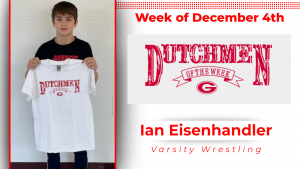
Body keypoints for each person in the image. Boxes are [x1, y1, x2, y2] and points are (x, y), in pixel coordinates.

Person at [25, 1, 98, 169]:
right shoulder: (44, 49)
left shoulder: (84, 47)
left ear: (76, 22)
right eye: (59, 19)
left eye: (68, 18)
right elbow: (31, 80)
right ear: (53, 22)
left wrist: (94, 70)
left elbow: (91, 82)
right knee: (52, 147)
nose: (63, 23)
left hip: (76, 109)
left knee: (80, 147)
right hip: (51, 109)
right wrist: (29, 69)